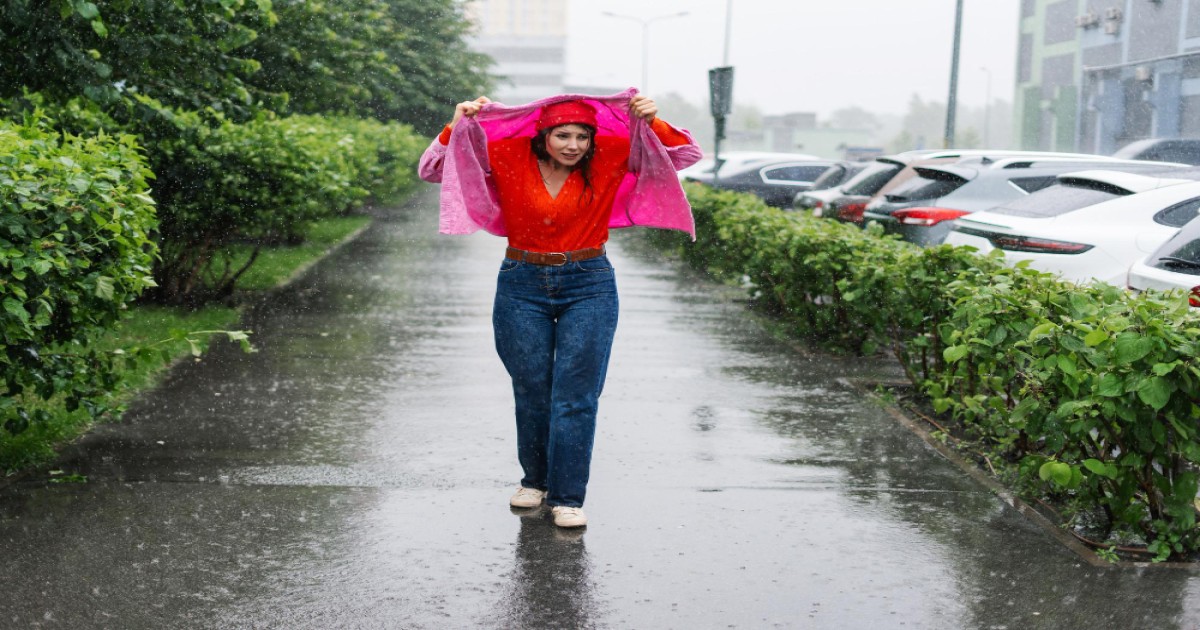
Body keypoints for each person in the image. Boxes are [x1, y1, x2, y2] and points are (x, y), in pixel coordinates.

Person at [418, 90, 701, 528]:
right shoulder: (507, 153)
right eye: (562, 136)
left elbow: (684, 155)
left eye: (582, 137)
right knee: (531, 388)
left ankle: (567, 497)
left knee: (576, 394)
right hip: (521, 282)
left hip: (589, 283)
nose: (573, 146)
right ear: (542, 135)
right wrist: (456, 124)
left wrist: (654, 121)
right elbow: (433, 169)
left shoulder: (610, 155)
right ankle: (535, 480)